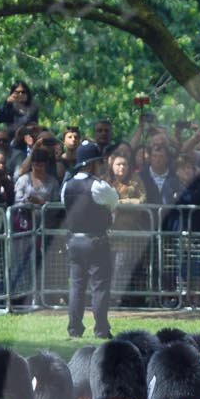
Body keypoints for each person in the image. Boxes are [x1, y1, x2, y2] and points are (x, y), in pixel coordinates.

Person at [62, 142, 118, 339]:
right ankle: (101, 329)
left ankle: (74, 328)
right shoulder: (97, 185)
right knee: (99, 287)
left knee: (76, 287)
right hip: (95, 241)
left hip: (74, 241)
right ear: (91, 164)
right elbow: (114, 201)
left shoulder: (66, 185)